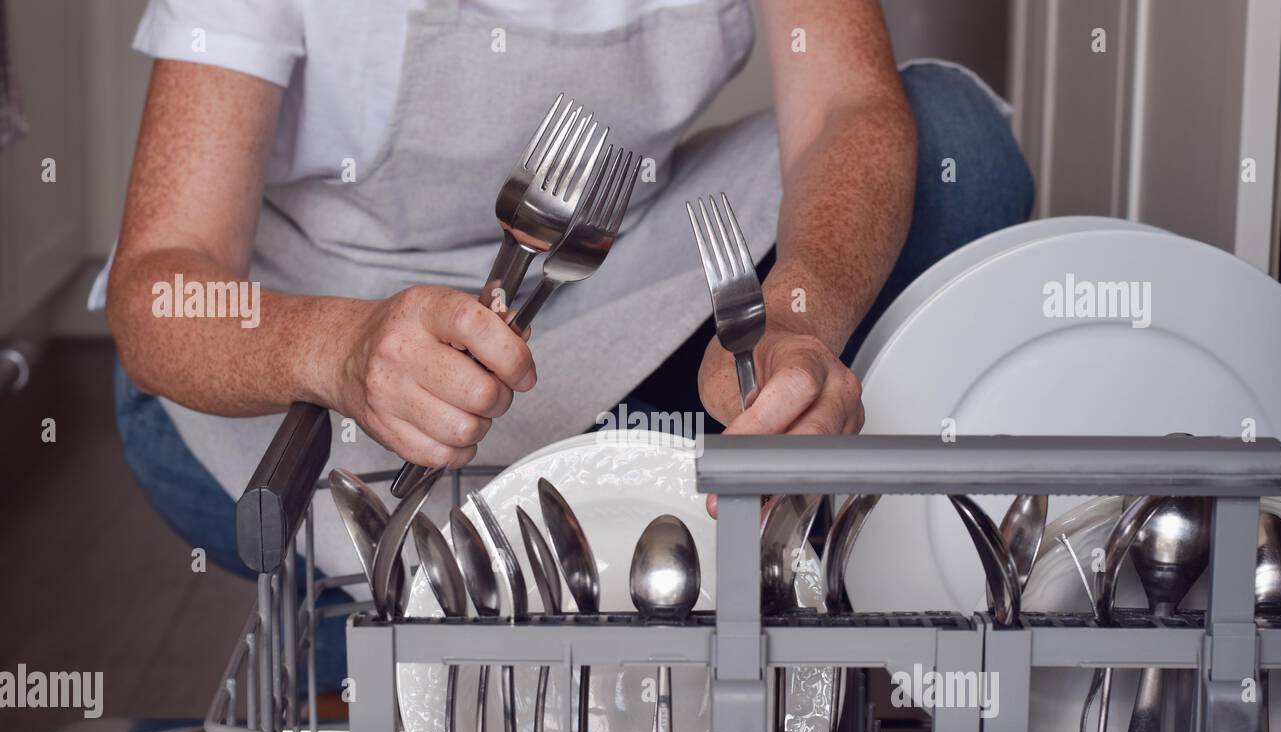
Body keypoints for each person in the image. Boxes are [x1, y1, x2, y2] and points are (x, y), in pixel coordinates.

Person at [99, 0, 1032, 691]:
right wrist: (339, 350)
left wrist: (794, 316)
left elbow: (843, 108)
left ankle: (517, 584)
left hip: (611, 266)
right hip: (309, 336)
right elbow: (161, 281)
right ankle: (498, 595)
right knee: (200, 402)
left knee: (957, 147)